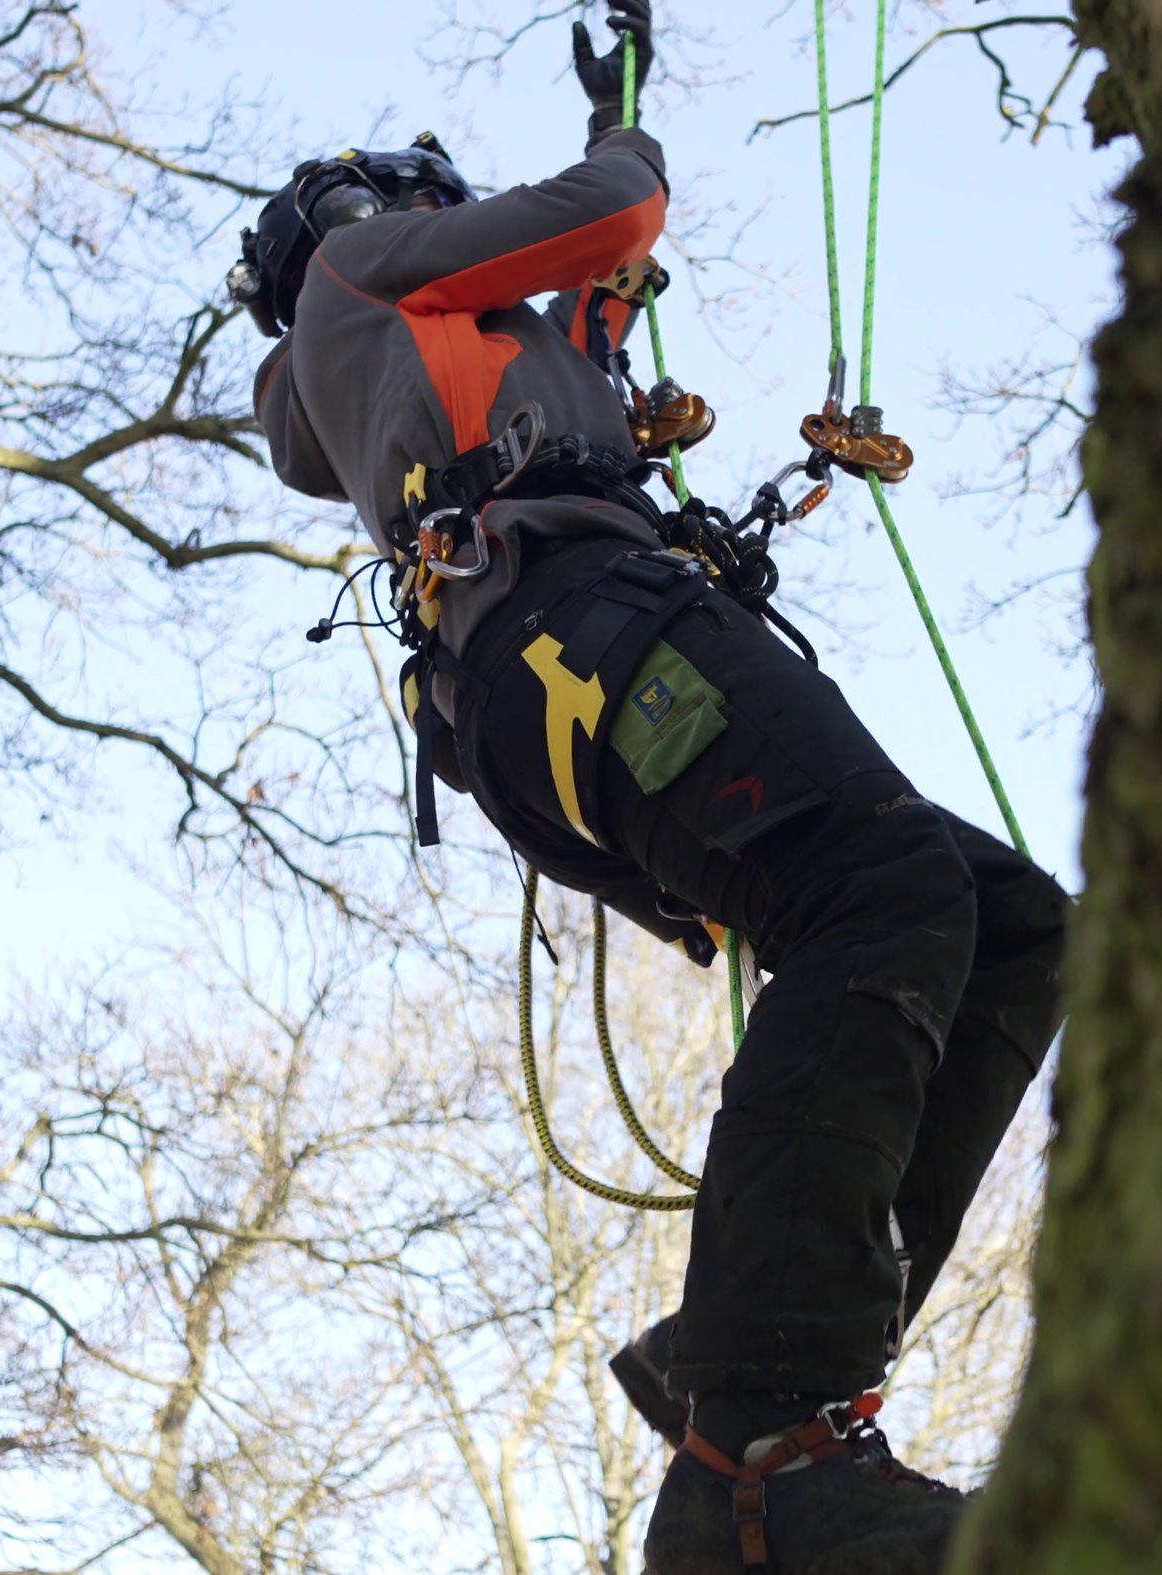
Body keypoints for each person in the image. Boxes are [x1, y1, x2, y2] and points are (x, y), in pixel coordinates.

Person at [236, 6, 1066, 1569]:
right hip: (586, 641)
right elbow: (612, 214)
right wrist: (623, 140)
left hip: (565, 691)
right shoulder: (365, 277)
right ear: (365, 219)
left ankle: (793, 1394)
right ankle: (758, 1436)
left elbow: (587, 311)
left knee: (1013, 925)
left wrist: (600, 308)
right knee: (881, 897)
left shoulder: (435, 365)